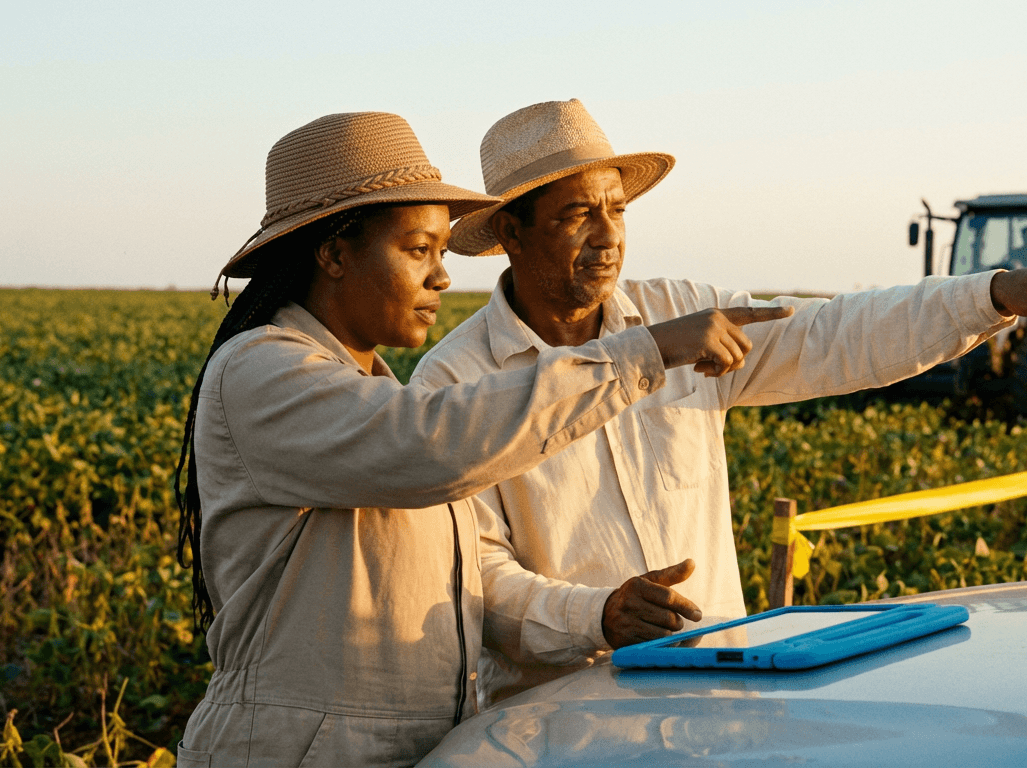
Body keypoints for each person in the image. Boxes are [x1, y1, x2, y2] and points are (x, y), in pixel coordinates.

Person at [410, 98, 1027, 704]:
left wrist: (990, 295)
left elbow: (834, 333)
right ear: (511, 230)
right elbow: (471, 572)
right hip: (558, 723)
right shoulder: (454, 384)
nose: (608, 238)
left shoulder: (685, 314)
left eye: (618, 211)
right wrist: (595, 614)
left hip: (717, 698)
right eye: (577, 215)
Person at [171, 111, 792, 767]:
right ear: (334, 253)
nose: (441, 277)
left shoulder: (368, 390)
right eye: (417, 250)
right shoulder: (263, 372)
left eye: (442, 251)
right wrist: (649, 349)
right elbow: (433, 445)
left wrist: (593, 617)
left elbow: (471, 576)